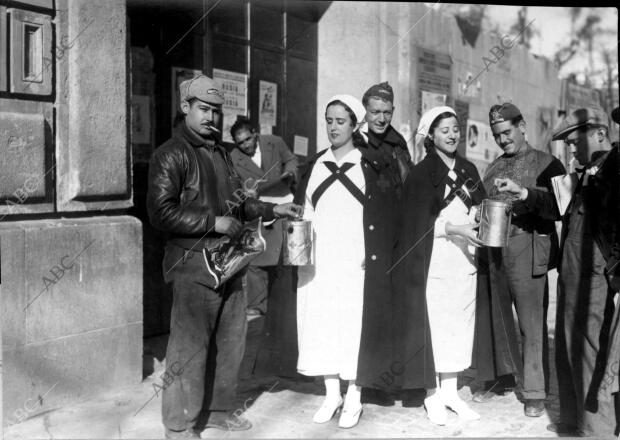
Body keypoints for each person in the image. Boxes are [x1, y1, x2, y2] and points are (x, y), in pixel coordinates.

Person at [146, 75, 301, 439]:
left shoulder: (220, 152)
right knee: (189, 347)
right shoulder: (170, 154)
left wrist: (269, 210)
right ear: (186, 108)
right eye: (203, 109)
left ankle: (216, 413)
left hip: (228, 262)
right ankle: (180, 425)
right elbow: (160, 212)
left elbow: (239, 203)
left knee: (231, 342)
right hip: (192, 263)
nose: (210, 118)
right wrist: (212, 221)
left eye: (216, 111)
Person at [294, 94, 399, 429]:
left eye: (341, 121)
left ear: (355, 125)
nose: (333, 127)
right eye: (329, 120)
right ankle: (331, 393)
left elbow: (386, 218)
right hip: (321, 262)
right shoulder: (313, 165)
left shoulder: (372, 165)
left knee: (353, 328)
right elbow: (305, 212)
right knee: (323, 325)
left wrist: (375, 257)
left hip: (356, 262)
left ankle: (354, 396)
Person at [392, 106, 486, 425]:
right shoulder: (420, 174)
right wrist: (452, 228)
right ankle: (431, 394)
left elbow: (478, 205)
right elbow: (413, 226)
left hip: (465, 259)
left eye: (455, 128)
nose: (452, 134)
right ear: (431, 135)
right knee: (436, 324)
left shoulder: (469, 170)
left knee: (461, 325)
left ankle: (451, 391)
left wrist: (476, 216)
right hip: (434, 259)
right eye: (444, 129)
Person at [474, 103, 566, 417]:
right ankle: (500, 378)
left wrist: (525, 193)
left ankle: (535, 392)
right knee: (499, 320)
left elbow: (562, 207)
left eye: (507, 132)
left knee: (531, 325)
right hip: (496, 252)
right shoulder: (492, 167)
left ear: (522, 125)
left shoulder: (550, 163)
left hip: (529, 252)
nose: (503, 140)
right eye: (497, 135)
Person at [540, 107, 619, 437]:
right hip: (571, 277)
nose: (571, 150)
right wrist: (525, 195)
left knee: (591, 354)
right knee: (568, 350)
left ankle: (596, 431)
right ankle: (572, 422)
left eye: (575, 142)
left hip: (595, 279)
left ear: (600, 134)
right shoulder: (586, 171)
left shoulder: (614, 169)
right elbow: (556, 205)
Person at [229, 116, 298, 317]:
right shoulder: (234, 158)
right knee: (257, 257)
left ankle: (285, 303)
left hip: (284, 201)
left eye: (248, 139)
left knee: (284, 255)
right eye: (240, 143)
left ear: (255, 134)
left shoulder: (274, 142)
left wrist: (290, 172)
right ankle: (258, 305)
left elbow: (291, 159)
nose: (245, 145)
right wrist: (244, 191)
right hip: (259, 209)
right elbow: (233, 183)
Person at [361, 81, 413, 185]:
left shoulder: (398, 141)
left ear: (393, 111)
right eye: (375, 112)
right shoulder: (355, 140)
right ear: (364, 110)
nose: (382, 119)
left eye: (387, 113)